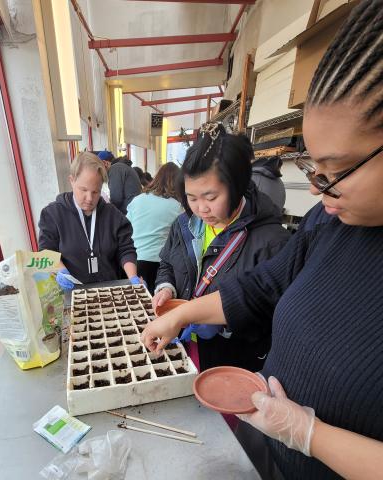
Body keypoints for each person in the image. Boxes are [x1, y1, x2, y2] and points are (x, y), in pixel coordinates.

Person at [141, 2, 383, 478]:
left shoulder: (272, 230)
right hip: (272, 456)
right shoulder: (329, 223)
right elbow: (261, 288)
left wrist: (310, 435)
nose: (315, 187)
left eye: (335, 171)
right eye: (314, 167)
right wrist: (183, 313)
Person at [152, 126, 290, 372]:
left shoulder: (271, 242)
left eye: (211, 197)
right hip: (182, 346)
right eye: (192, 198)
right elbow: (167, 264)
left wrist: (224, 324)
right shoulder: (184, 224)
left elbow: (274, 314)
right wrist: (166, 287)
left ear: (236, 187)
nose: (201, 209)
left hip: (232, 360)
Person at [38, 152, 143, 290]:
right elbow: (46, 250)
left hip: (109, 290)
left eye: (95, 192)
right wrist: (60, 271)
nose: (89, 198)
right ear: (72, 180)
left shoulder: (113, 215)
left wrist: (133, 278)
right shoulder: (53, 214)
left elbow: (126, 249)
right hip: (72, 290)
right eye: (83, 190)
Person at [126, 162, 182, 294]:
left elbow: (126, 228)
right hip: (162, 265)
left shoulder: (137, 200)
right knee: (159, 306)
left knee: (138, 305)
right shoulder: (178, 207)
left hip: (135, 261)